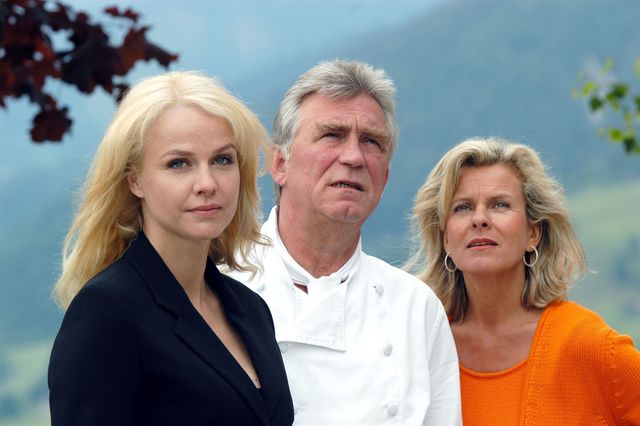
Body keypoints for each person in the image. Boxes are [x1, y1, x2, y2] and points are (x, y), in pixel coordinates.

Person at [48, 71, 294, 426]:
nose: (207, 183)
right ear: (134, 181)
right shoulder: (107, 313)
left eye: (222, 160)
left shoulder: (250, 308)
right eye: (179, 163)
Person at [231, 59, 461, 425]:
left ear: (384, 177)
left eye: (372, 142)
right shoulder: (216, 283)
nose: (354, 157)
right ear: (280, 163)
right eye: (332, 135)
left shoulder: (416, 309)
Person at [407, 136, 640, 424]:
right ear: (446, 239)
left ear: (533, 233)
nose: (479, 219)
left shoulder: (589, 344)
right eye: (462, 207)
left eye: (500, 205)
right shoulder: (422, 348)